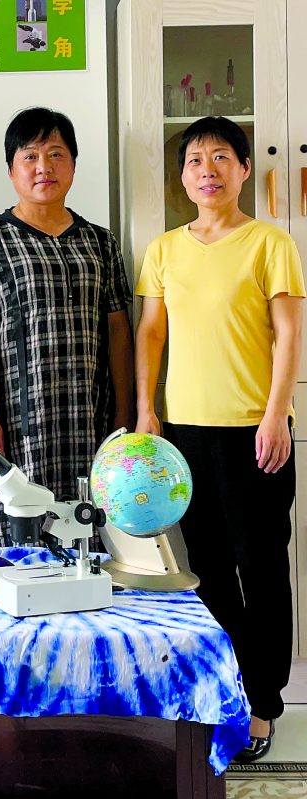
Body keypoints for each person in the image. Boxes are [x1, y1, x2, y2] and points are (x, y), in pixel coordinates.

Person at [135, 116, 305, 762]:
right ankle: (225, 683)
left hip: (253, 434)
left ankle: (263, 703)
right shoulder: (164, 249)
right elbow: (152, 333)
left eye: (220, 158)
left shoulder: (270, 242)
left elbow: (289, 334)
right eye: (195, 160)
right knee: (202, 572)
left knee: (261, 570)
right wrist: (146, 411)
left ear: (241, 170)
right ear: (182, 176)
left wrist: (276, 412)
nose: (207, 170)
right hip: (183, 434)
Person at [0, 107, 134, 547]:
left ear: (73, 163)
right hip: (19, 421)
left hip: (91, 418)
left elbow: (118, 333)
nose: (44, 167)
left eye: (56, 154)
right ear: (12, 169)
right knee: (22, 544)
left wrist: (124, 414)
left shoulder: (100, 242)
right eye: (30, 156)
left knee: (91, 542)